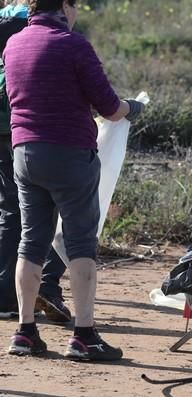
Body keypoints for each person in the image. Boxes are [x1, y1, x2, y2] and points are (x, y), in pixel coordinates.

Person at [3, 0, 144, 360]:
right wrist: (132, 107)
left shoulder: (14, 43)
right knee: (81, 244)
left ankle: (25, 331)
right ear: (66, 6)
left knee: (30, 241)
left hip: (24, 153)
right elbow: (109, 106)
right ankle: (84, 335)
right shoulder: (73, 44)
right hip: (69, 154)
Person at [0, 0, 71, 324]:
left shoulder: (11, 22)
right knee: (39, 212)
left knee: (13, 211)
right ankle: (42, 287)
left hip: (14, 128)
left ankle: (13, 295)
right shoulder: (29, 24)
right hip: (24, 129)